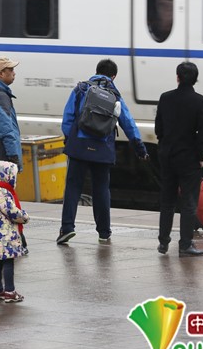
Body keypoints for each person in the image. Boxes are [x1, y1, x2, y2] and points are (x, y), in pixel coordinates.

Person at [57, 59, 148, 245]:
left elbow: (67, 118)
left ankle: (67, 228)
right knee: (101, 190)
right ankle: (104, 232)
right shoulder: (115, 95)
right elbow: (128, 123)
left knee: (73, 187)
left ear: (96, 71)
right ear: (113, 76)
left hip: (80, 146)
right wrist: (140, 147)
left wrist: (70, 138)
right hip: (102, 148)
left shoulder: (81, 89)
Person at [156, 62, 203, 257]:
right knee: (188, 202)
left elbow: (158, 128)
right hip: (189, 159)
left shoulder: (165, 98)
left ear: (177, 77)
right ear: (195, 79)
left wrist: (164, 146)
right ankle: (185, 244)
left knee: (167, 201)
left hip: (167, 156)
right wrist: (201, 156)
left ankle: (163, 243)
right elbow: (202, 132)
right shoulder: (199, 101)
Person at [0, 57, 26, 254]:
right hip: (2, 155)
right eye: (10, 70)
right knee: (7, 200)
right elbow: (6, 129)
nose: (14, 73)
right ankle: (12, 243)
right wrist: (14, 158)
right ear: (1, 74)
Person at [0, 160, 29, 303]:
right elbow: (12, 212)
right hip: (6, 234)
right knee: (8, 262)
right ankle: (10, 291)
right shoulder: (3, 192)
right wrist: (25, 216)